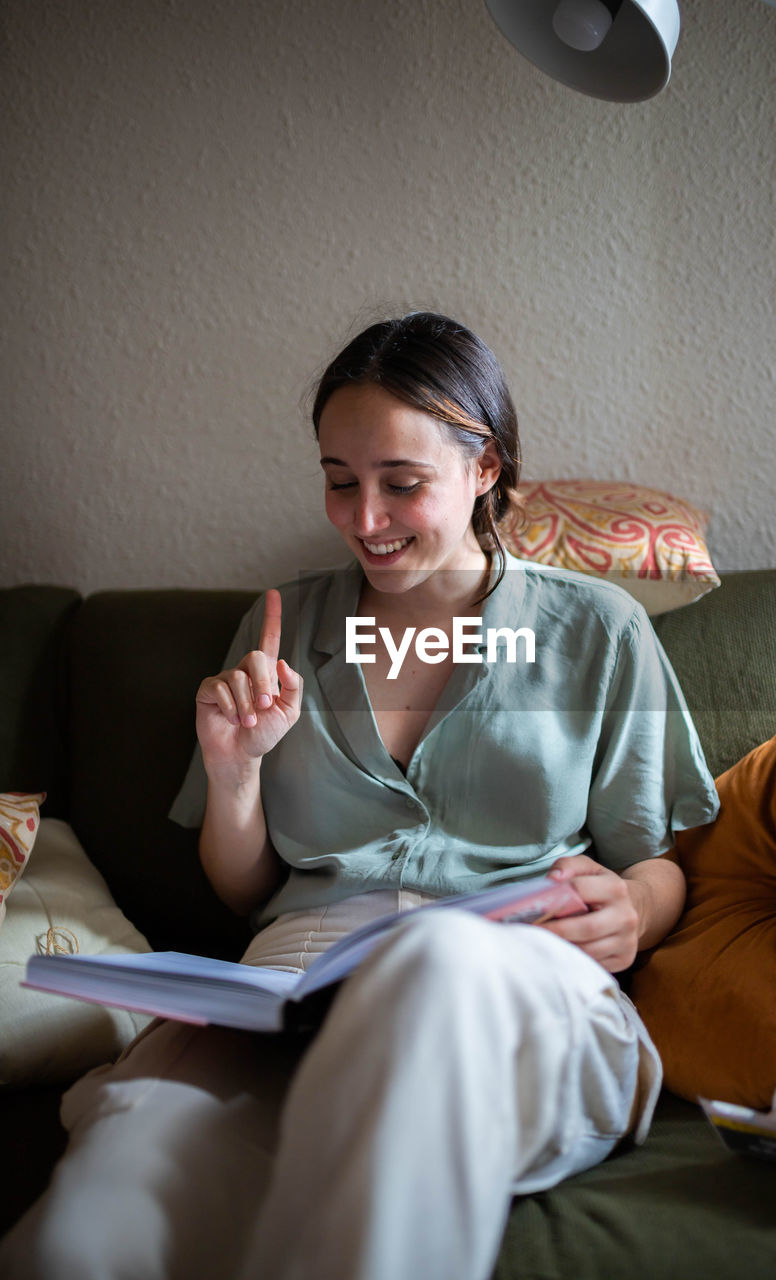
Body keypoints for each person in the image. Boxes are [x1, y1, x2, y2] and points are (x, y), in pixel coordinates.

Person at [1, 312, 719, 1280]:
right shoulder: (280, 628)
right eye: (340, 481)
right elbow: (244, 890)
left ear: (486, 468)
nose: (364, 518)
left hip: (502, 976)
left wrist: (633, 906)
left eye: (401, 483)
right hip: (291, 989)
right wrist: (233, 769)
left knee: (433, 970)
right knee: (104, 1199)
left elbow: (662, 862)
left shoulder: (597, 631)